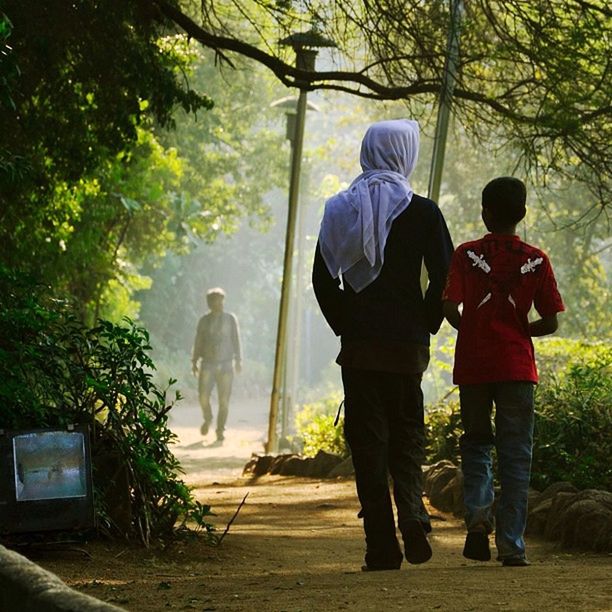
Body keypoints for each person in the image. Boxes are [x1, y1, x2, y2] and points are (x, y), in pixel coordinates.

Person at [312, 119, 454, 571]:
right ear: (405, 154)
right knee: (407, 437)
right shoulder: (425, 212)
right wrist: (426, 322)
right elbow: (445, 276)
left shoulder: (340, 209)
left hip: (360, 349)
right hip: (406, 348)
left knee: (368, 443)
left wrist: (346, 324)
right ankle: (412, 515)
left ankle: (381, 545)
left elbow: (322, 278)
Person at [442, 176, 564, 567]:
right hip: (516, 368)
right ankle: (512, 544)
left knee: (477, 444)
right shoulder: (537, 260)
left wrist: (474, 330)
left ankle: (478, 521)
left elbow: (449, 308)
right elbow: (551, 321)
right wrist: (519, 330)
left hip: (475, 366)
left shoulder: (465, 254)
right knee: (516, 453)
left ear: (485, 212)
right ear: (523, 215)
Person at [191, 288, 242, 443]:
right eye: (215, 301)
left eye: (221, 300)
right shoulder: (204, 321)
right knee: (203, 397)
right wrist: (194, 361)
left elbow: (236, 339)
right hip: (208, 363)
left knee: (224, 400)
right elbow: (198, 341)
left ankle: (220, 430)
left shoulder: (230, 319)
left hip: (226, 363)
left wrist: (239, 359)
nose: (219, 304)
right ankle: (208, 418)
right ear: (210, 303)